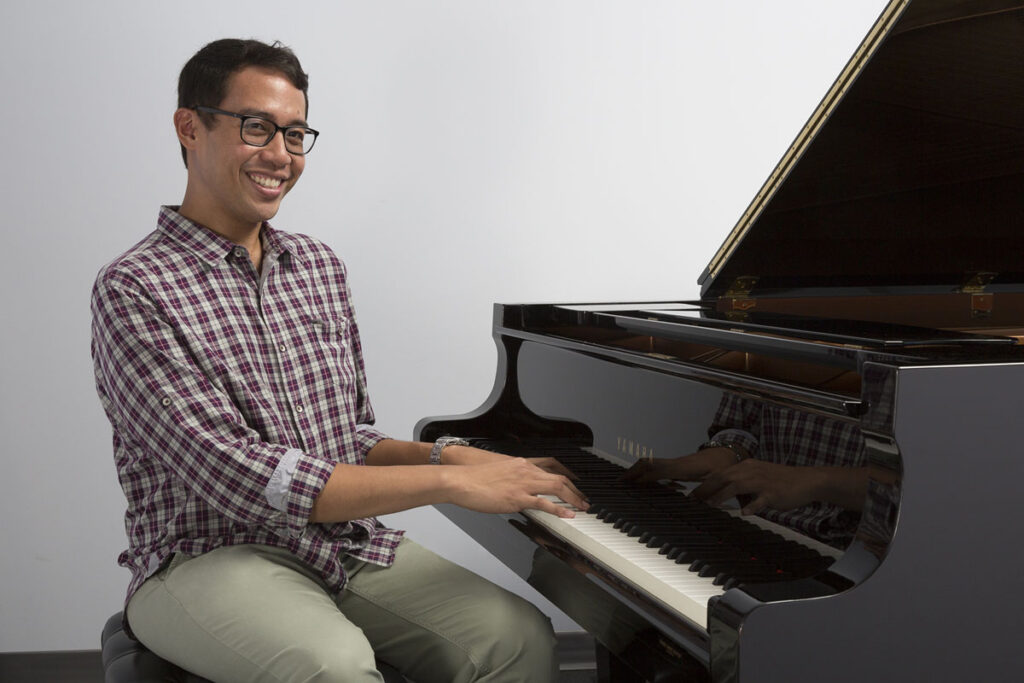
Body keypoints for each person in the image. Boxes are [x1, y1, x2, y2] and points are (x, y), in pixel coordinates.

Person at [91, 38, 588, 683]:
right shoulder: (134, 286)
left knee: (516, 638)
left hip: (339, 543)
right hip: (204, 556)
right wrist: (449, 483)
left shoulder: (319, 267)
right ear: (190, 127)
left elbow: (344, 438)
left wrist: (453, 455)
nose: (280, 155)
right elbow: (239, 477)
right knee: (334, 668)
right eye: (257, 127)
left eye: (296, 134)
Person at [624, 392, 867, 548]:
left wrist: (816, 481)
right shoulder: (763, 319)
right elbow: (742, 426)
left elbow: (901, 489)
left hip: (847, 548)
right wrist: (725, 454)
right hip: (753, 525)